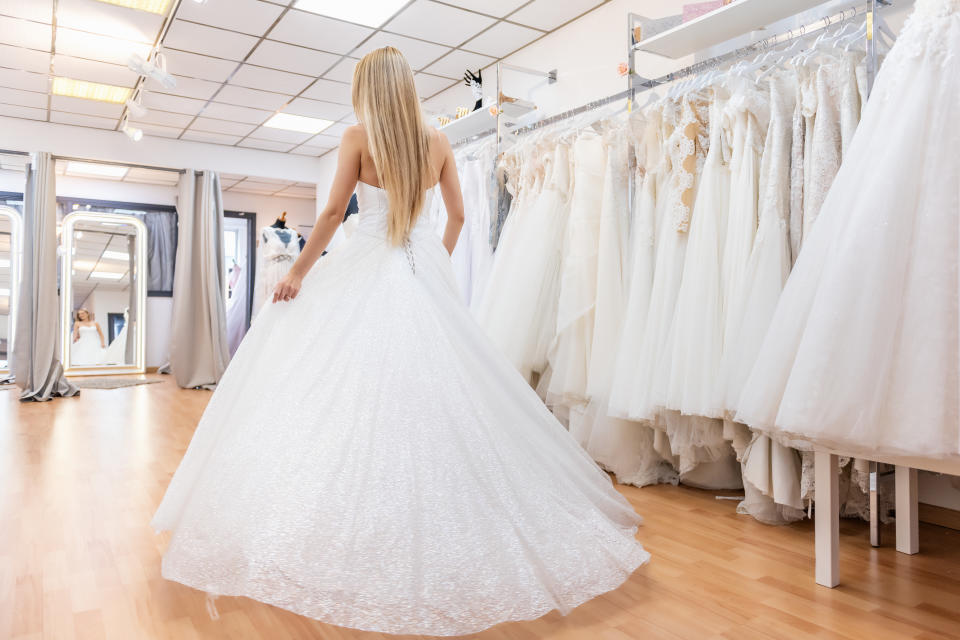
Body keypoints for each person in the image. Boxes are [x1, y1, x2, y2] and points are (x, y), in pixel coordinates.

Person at [152, 46, 648, 637]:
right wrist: (429, 266)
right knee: (440, 399)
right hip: (418, 271)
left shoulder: (358, 137)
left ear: (368, 89)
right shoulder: (437, 141)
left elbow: (334, 212)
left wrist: (296, 272)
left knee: (337, 388)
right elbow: (458, 217)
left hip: (365, 263)